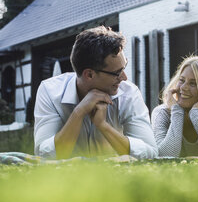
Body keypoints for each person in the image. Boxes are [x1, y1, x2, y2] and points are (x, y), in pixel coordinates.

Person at [34, 26, 158, 159]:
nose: (124, 78)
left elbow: (150, 153)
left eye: (124, 67)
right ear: (89, 74)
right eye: (117, 73)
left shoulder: (129, 94)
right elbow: (44, 156)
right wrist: (79, 112)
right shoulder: (50, 92)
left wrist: (103, 125)